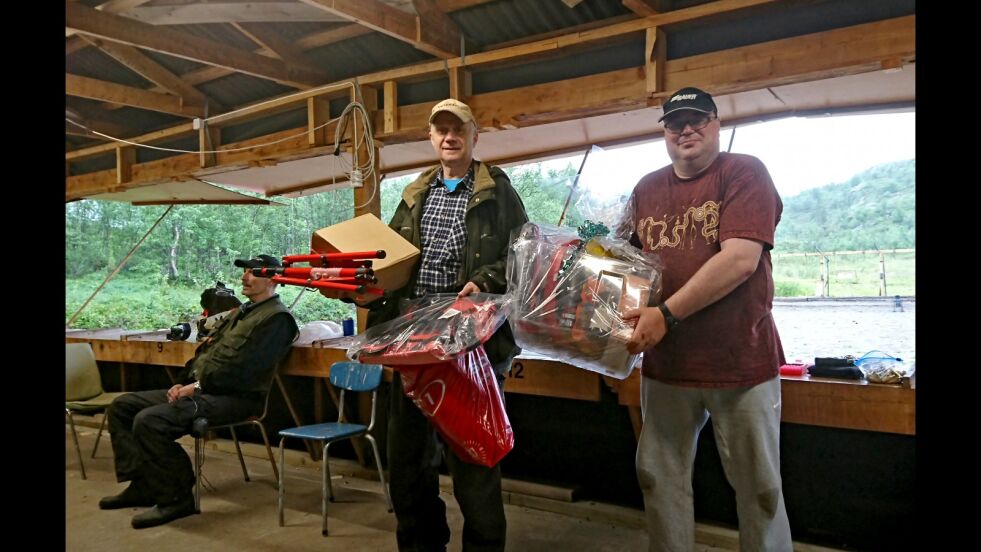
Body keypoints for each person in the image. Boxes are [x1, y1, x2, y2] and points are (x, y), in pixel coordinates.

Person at [315, 98, 528, 551]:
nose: (449, 137)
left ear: (474, 136)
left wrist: (483, 281)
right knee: (408, 468)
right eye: (441, 130)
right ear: (432, 138)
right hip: (413, 347)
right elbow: (389, 263)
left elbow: (521, 260)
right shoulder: (414, 194)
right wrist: (354, 283)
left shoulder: (499, 191)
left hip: (470, 350)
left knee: (475, 464)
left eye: (458, 129)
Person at [617, 87, 793, 551]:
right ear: (665, 132)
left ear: (716, 124)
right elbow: (627, 269)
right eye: (676, 123)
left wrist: (666, 315)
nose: (687, 129)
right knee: (658, 477)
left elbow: (740, 261)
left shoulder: (745, 172)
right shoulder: (645, 189)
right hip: (667, 366)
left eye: (698, 119)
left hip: (740, 362)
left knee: (761, 489)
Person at [99, 254, 299, 529]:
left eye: (253, 272)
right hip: (202, 390)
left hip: (236, 399)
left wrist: (197, 388)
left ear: (273, 279)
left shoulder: (278, 320)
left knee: (151, 421)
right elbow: (206, 352)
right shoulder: (241, 312)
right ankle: (144, 485)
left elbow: (247, 371)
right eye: (244, 271)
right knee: (123, 406)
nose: (244, 276)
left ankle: (177, 497)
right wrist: (181, 382)